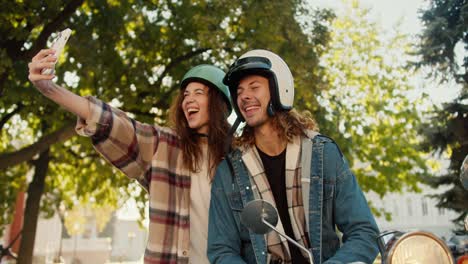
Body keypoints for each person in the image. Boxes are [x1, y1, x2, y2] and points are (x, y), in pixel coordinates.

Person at [28, 48, 232, 264]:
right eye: (186, 94)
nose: (188, 100)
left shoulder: (239, 158)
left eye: (199, 92)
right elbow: (110, 122)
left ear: (218, 103)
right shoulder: (165, 146)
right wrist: (48, 88)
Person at [207, 49, 380, 264]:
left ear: (280, 89)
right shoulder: (229, 172)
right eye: (239, 91)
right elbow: (221, 250)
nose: (244, 96)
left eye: (254, 87)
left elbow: (364, 233)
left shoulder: (323, 153)